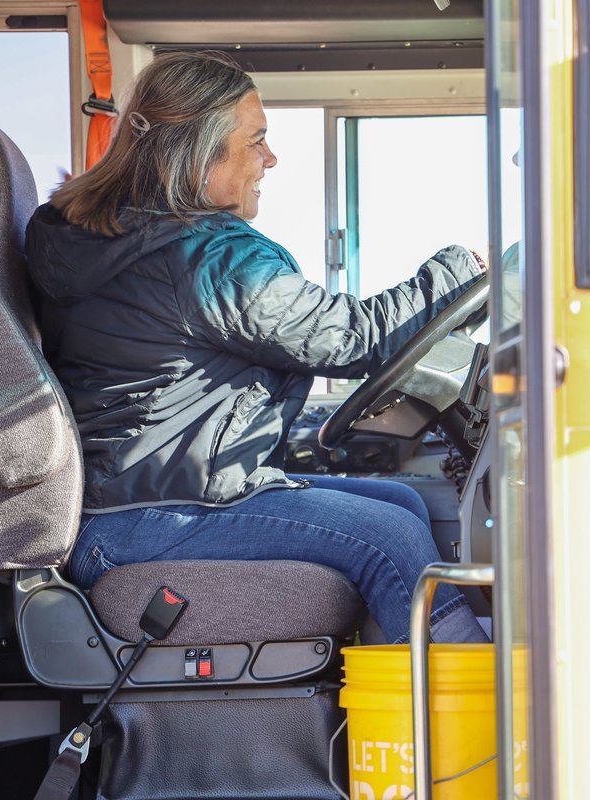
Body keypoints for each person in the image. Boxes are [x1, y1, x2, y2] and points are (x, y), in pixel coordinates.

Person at [24, 50, 488, 644]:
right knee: (389, 539)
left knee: (401, 502)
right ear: (197, 154)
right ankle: (475, 721)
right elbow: (353, 338)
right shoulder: (203, 258)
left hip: (132, 501)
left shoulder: (116, 240)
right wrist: (459, 270)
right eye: (256, 141)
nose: (271, 159)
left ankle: (401, 698)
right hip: (150, 516)